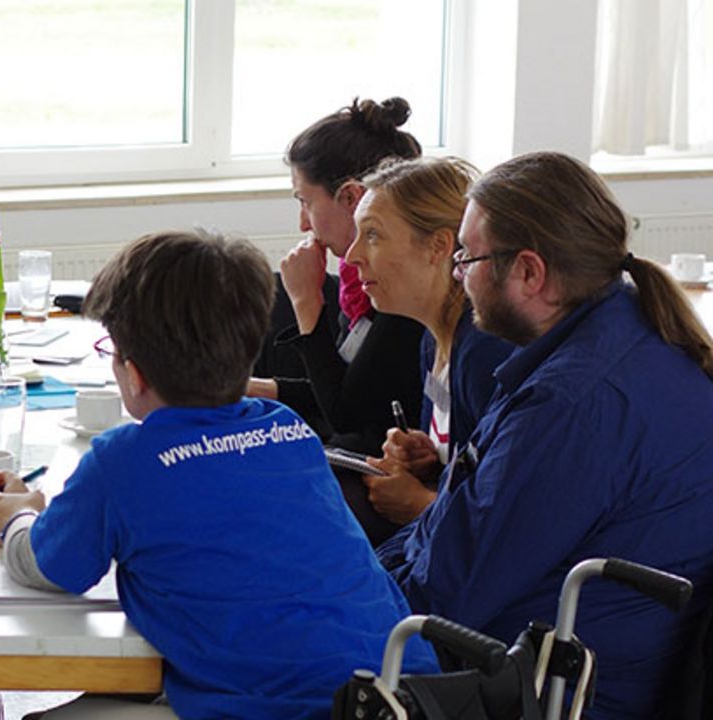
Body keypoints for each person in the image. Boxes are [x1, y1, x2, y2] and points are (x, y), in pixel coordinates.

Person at [0, 230, 437, 719]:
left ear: (132, 374)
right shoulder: (286, 430)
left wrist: (17, 518)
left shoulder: (123, 459)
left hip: (274, 708)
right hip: (395, 693)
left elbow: (49, 569)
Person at [389, 151, 713, 718]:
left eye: (467, 256)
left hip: (560, 692)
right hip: (587, 661)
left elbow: (444, 593)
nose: (457, 273)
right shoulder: (629, 331)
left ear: (530, 273)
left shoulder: (573, 404)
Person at [338, 157, 513, 544]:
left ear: (437, 247)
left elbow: (510, 518)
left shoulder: (486, 352)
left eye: (372, 236)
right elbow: (464, 461)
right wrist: (426, 455)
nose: (351, 256)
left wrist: (420, 504)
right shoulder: (432, 338)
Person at [247, 97, 426, 457]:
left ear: (351, 198)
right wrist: (244, 388)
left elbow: (347, 415)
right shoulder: (356, 282)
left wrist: (307, 303)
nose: (302, 223)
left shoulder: (400, 289)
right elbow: (342, 385)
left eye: (305, 202)